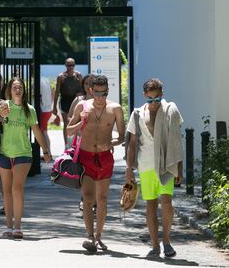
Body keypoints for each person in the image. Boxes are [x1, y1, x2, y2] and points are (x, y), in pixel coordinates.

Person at [125, 78, 183, 258]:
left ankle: (167, 242)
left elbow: (176, 141)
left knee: (166, 203)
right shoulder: (137, 114)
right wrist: (129, 169)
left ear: (162, 95)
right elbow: (132, 144)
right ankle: (155, 245)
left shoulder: (170, 110)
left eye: (157, 99)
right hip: (146, 166)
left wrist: (179, 168)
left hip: (166, 164)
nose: (153, 103)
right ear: (144, 96)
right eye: (150, 99)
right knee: (150, 204)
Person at [0, 77, 51, 239]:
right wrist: (0, 116)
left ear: (23, 90)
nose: (18, 90)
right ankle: (8, 226)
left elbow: (37, 131)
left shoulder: (29, 109)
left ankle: (17, 227)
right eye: (15, 87)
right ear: (10, 90)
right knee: (6, 190)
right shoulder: (1, 106)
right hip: (3, 154)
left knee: (17, 188)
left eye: (20, 88)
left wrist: (45, 150)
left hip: (23, 154)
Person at [67, 75, 125, 252]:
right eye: (98, 93)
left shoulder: (116, 109)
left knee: (102, 199)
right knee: (88, 198)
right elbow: (69, 131)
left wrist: (111, 144)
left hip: (105, 157)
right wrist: (80, 122)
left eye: (104, 93)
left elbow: (122, 137)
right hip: (85, 156)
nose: (101, 98)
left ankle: (99, 237)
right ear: (91, 91)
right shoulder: (82, 106)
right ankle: (89, 236)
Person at [67, 74, 95, 213]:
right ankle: (85, 199)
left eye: (91, 84)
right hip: (81, 143)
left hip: (98, 143)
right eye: (86, 84)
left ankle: (93, 200)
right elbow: (69, 118)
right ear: (83, 86)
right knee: (84, 173)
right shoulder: (79, 100)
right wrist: (80, 121)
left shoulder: (101, 101)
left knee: (96, 174)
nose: (89, 87)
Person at [53, 58, 83, 148]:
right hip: (65, 101)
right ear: (65, 65)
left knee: (76, 121)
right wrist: (54, 107)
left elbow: (82, 89)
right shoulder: (61, 77)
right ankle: (66, 144)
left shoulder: (78, 75)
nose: (71, 67)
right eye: (69, 65)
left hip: (76, 101)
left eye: (72, 65)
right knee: (66, 122)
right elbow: (57, 92)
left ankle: (76, 143)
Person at [39, 76, 53, 159]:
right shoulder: (46, 79)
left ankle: (48, 153)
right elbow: (52, 92)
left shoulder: (37, 82)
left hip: (42, 109)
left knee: (43, 133)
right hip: (48, 109)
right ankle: (48, 153)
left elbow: (37, 96)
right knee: (44, 132)